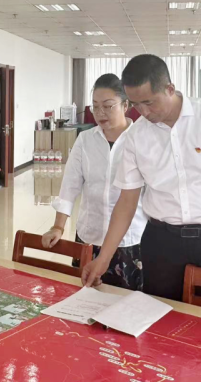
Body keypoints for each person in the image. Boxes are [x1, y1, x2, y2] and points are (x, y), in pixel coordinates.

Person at [82, 55, 201, 301]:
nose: (144, 112)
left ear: (169, 88)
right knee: (160, 316)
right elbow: (127, 201)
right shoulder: (136, 135)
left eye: (149, 102)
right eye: (136, 105)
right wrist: (103, 259)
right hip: (161, 243)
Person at [41, 73, 147, 290]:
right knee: (85, 298)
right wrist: (58, 227)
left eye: (108, 106)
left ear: (125, 105)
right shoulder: (85, 140)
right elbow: (70, 186)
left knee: (126, 302)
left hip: (130, 239)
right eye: (95, 107)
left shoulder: (141, 138)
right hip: (90, 235)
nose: (100, 113)